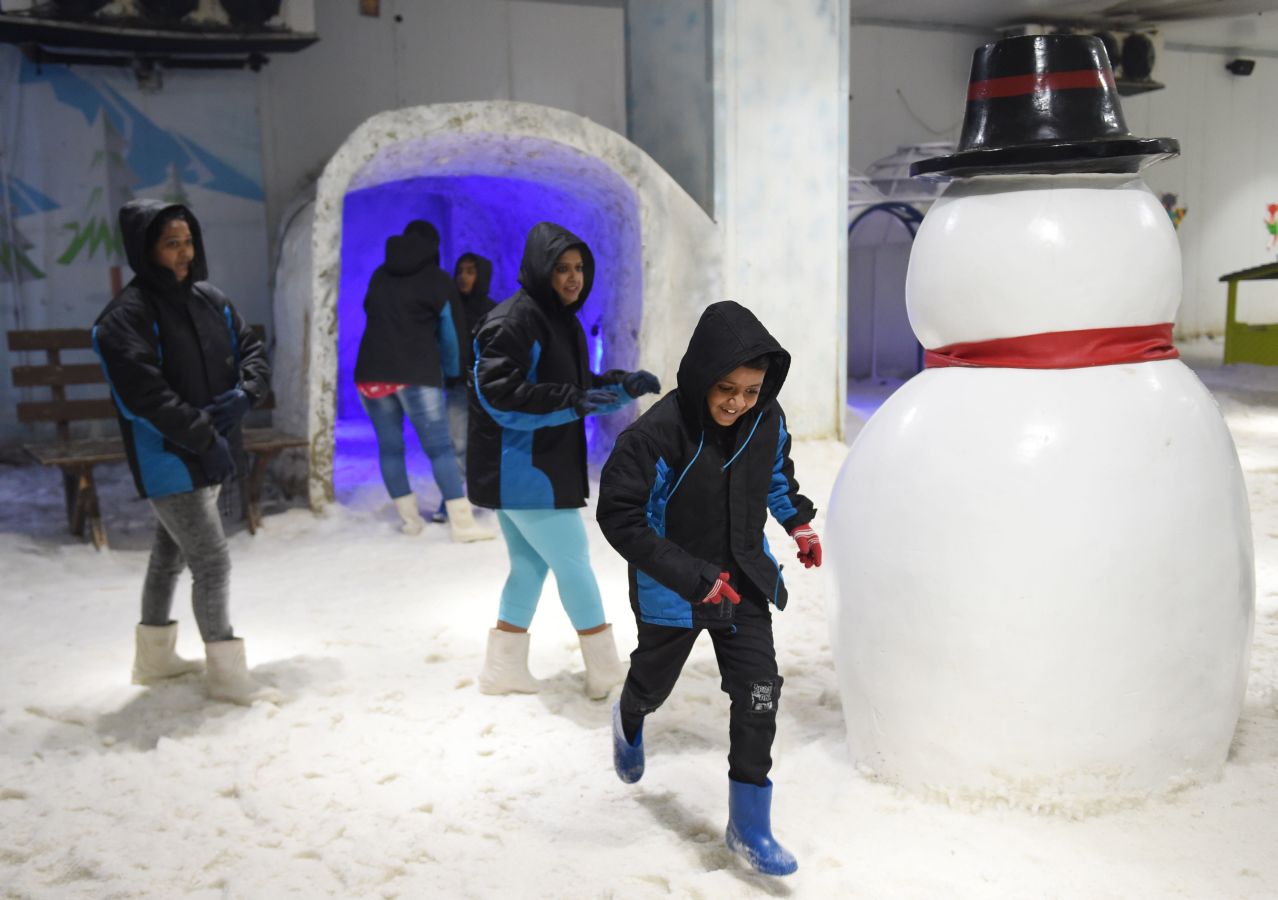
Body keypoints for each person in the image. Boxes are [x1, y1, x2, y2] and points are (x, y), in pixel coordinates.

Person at [596, 301, 821, 877]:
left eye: (751, 390)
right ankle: (631, 712)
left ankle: (749, 824)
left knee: (759, 691)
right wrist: (692, 575)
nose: (737, 402)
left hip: (742, 580)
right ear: (701, 375)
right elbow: (623, 518)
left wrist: (796, 521)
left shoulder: (765, 419)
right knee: (655, 683)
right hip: (676, 588)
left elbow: (774, 475)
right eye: (726, 387)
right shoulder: (655, 437)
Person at [468, 222, 662, 698]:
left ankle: (502, 670)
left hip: (534, 466)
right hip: (523, 469)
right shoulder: (514, 321)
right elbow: (501, 396)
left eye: (579, 268)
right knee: (574, 561)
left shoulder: (557, 319)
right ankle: (606, 673)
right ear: (541, 269)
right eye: (562, 269)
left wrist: (620, 387)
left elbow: (576, 386)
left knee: (530, 568)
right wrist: (573, 400)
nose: (573, 278)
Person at [93, 199, 276, 705]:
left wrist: (246, 395)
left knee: (169, 555)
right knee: (212, 564)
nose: (184, 253)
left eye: (188, 241)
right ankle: (227, 673)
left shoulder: (209, 299)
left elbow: (252, 350)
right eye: (171, 243)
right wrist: (205, 438)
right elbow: (145, 398)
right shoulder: (121, 319)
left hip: (209, 447)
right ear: (145, 250)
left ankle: (154, 659)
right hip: (168, 456)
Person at [353, 221, 492, 542]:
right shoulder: (438, 280)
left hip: (370, 375)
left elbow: (369, 309)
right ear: (434, 247)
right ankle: (463, 526)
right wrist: (454, 372)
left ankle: (410, 521)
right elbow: (449, 335)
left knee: (390, 448)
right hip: (416, 374)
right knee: (441, 448)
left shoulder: (380, 274)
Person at [432, 252, 499, 523]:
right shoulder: (448, 306)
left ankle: (490, 496)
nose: (463, 276)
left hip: (487, 390)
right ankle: (452, 502)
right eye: (460, 270)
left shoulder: (492, 309)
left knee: (488, 445)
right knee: (456, 444)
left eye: (470, 271)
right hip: (458, 387)